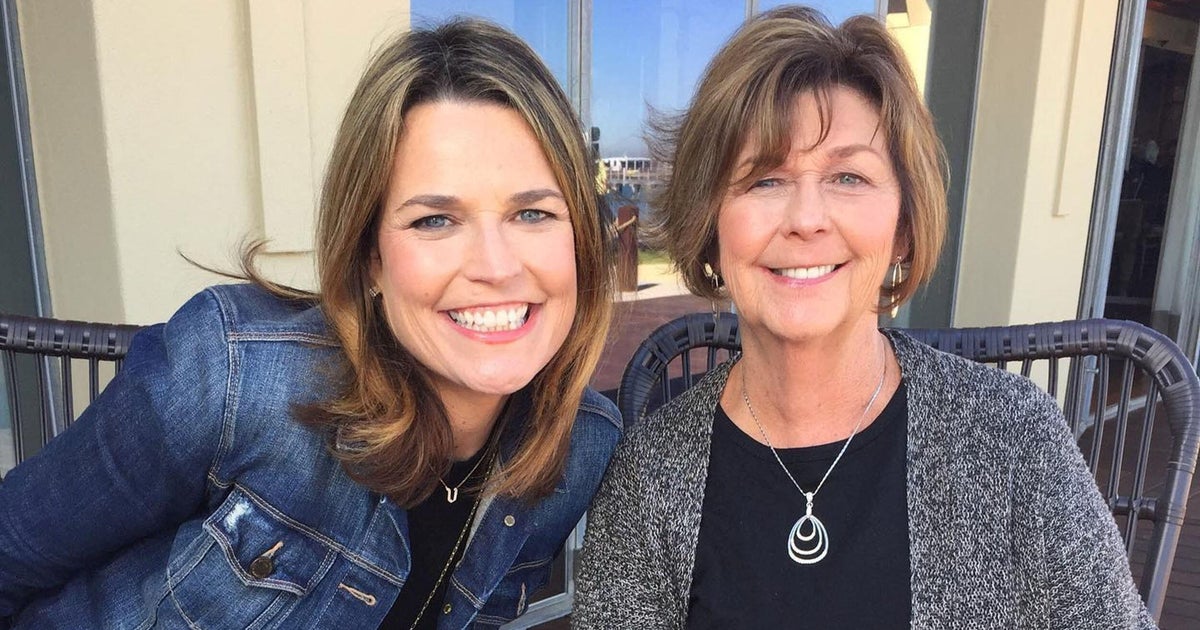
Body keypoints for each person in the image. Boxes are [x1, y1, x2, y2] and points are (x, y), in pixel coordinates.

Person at [0, 18, 620, 629]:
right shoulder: (230, 376)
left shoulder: (580, 445)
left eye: (533, 213)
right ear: (370, 257)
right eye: (434, 220)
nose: (496, 266)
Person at [573, 6, 1155, 629]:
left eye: (848, 177)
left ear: (903, 227)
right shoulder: (648, 476)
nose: (806, 219)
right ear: (711, 228)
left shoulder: (1013, 441)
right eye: (765, 180)